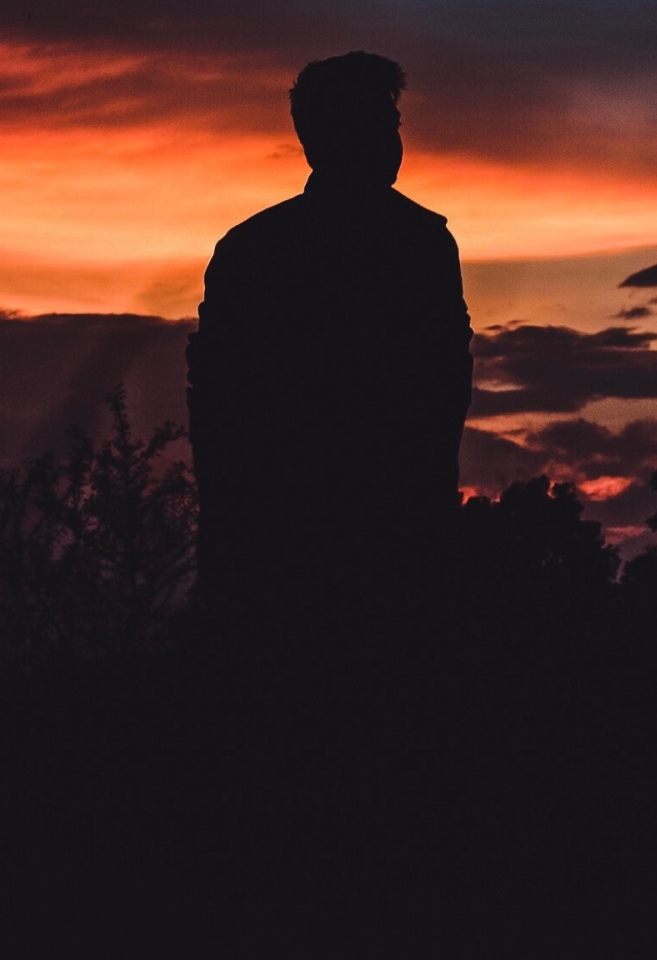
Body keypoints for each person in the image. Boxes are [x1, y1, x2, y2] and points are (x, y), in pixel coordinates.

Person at [187, 51, 473, 624]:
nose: (393, 141)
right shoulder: (418, 247)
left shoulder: (251, 249)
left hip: (294, 547)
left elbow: (215, 404)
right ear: (330, 136)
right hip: (347, 546)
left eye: (394, 125)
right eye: (382, 124)